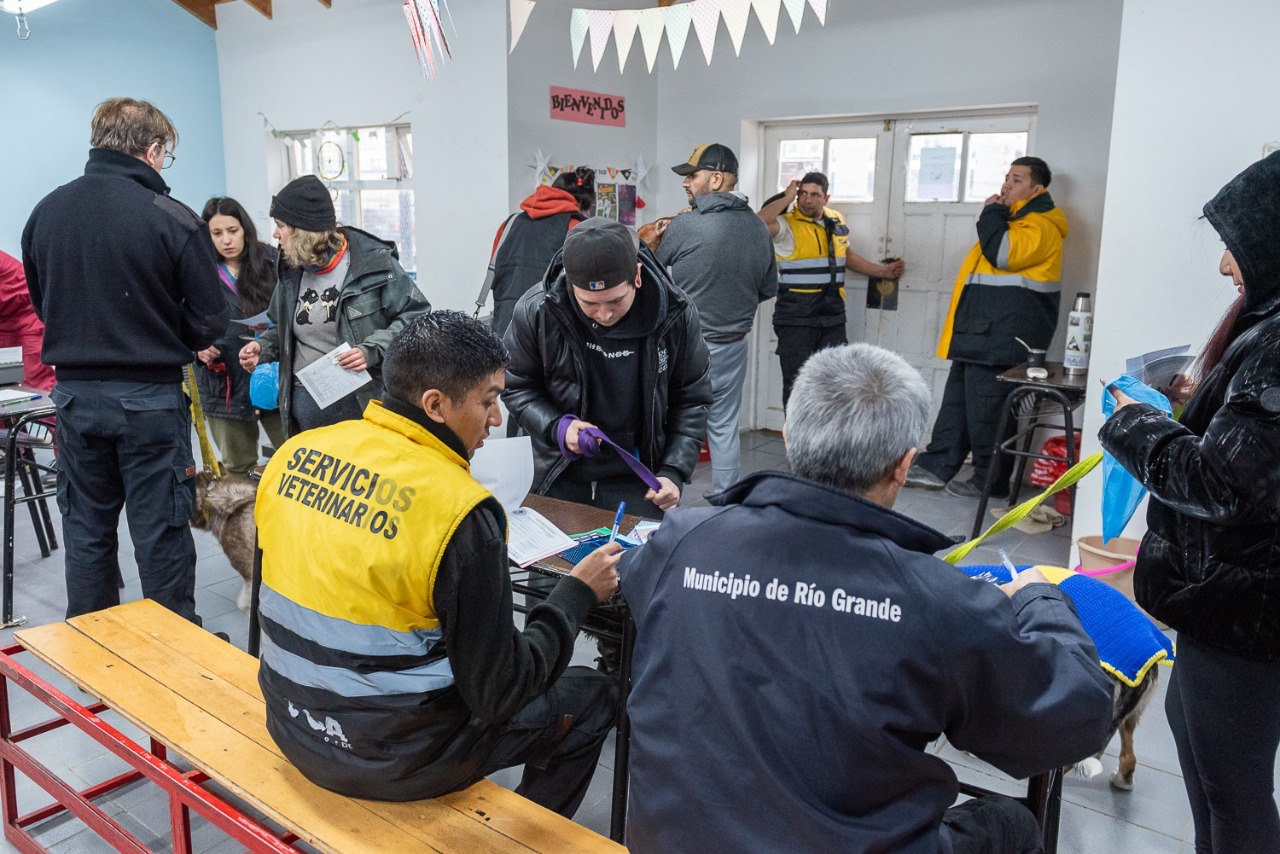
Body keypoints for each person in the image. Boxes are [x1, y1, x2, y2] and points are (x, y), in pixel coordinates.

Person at [620, 342, 1112, 853]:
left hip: (672, 840)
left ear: (790, 438)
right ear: (904, 464)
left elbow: (639, 583)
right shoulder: (935, 600)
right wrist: (1038, 598)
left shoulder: (681, 541)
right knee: (1012, 821)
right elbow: (1073, 720)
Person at [255, 311, 619, 815]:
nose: (497, 418)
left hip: (293, 725)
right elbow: (501, 692)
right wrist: (577, 592)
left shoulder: (294, 453)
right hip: (397, 759)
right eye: (489, 401)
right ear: (435, 405)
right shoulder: (458, 511)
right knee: (594, 696)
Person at [1099, 151, 1280, 853]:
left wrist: (1130, 420)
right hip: (1232, 604)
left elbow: (1222, 485)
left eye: (1236, 246)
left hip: (1246, 611)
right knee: (1210, 772)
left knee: (1231, 795)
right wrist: (1196, 406)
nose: (1225, 266)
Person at [20, 97, 228, 622]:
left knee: (86, 531)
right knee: (160, 533)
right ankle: (173, 654)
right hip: (149, 401)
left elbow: (43, 305)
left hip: (73, 400)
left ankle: (95, 653)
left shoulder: (46, 212)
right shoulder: (172, 218)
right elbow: (210, 321)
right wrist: (161, 332)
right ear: (153, 150)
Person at [503, 217, 711, 520]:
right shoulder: (538, 309)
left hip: (639, 471)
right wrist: (556, 426)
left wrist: (674, 470)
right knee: (556, 565)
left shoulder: (675, 313)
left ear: (637, 277)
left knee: (630, 565)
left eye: (615, 300)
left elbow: (692, 398)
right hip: (558, 468)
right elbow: (516, 384)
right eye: (589, 303)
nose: (603, 314)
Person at [907, 157, 1067, 498]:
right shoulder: (1014, 223)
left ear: (1037, 190)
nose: (1007, 184)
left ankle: (989, 481)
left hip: (1001, 339)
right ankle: (936, 467)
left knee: (988, 414)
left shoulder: (1039, 226)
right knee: (956, 407)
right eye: (1007, 177)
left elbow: (1002, 256)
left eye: (1018, 180)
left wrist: (991, 213)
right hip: (979, 335)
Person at [238, 175, 429, 436]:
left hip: (363, 410)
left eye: (280, 225)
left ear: (303, 230)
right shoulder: (291, 269)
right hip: (305, 415)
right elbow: (281, 328)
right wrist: (262, 347)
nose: (275, 234)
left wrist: (370, 350)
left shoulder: (374, 265)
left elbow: (416, 316)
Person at [657, 144, 778, 494]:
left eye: (691, 176)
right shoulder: (758, 228)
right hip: (734, 345)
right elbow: (767, 288)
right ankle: (725, 502)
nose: (685, 183)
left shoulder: (685, 226)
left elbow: (649, 270)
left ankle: (661, 507)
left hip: (686, 348)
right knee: (724, 426)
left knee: (670, 425)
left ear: (715, 178)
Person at [757, 172, 905, 407]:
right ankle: (797, 442)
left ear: (825, 198)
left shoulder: (836, 220)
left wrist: (882, 272)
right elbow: (758, 222)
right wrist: (786, 197)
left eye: (814, 195)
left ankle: (829, 441)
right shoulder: (786, 226)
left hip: (832, 315)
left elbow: (844, 256)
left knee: (836, 383)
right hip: (796, 318)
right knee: (797, 384)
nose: (807, 200)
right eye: (802, 194)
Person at [197, 197, 286, 475]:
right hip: (223, 384)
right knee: (237, 468)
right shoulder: (197, 270)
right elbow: (176, 318)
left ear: (245, 229)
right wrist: (195, 345)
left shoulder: (273, 261)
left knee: (296, 459)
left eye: (233, 231)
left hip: (274, 375)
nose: (226, 240)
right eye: (217, 233)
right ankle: (243, 520)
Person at [486, 167, 595, 336]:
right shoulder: (575, 227)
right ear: (582, 203)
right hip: (550, 332)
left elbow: (495, 275)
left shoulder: (509, 224)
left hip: (505, 327)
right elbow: (587, 287)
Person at [0, 250, 53, 392]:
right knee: (5, 384)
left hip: (26, 313)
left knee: (34, 381)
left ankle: (45, 415)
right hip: (4, 315)